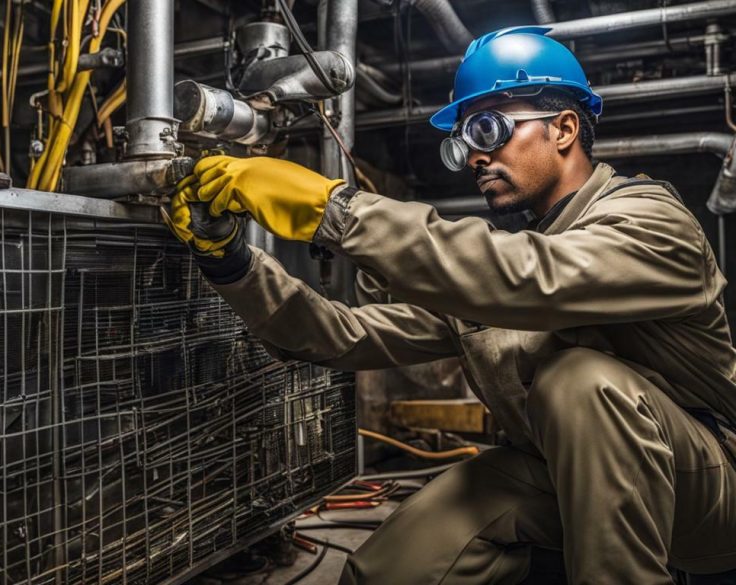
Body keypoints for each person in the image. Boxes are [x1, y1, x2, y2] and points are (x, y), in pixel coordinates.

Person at [167, 26, 736, 584]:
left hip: (705, 490)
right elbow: (344, 336)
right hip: (558, 478)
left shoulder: (651, 223)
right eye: (462, 141)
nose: (473, 158)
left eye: (488, 129)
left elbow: (528, 278)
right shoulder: (489, 274)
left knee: (580, 380)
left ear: (563, 128)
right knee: (393, 565)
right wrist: (233, 264)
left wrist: (335, 211)